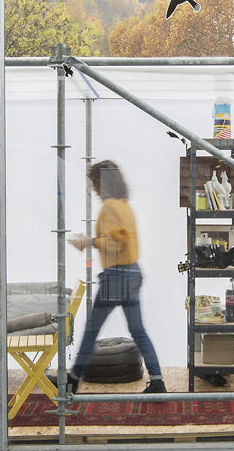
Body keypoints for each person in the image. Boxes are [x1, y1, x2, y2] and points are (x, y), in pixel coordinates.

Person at [67, 159, 167, 394]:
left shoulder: (109, 206)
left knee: (91, 330)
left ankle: (72, 380)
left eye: (95, 182)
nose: (93, 188)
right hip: (132, 273)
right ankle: (157, 381)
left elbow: (116, 241)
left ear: (103, 182)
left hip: (116, 277)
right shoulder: (125, 206)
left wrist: (88, 241)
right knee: (139, 331)